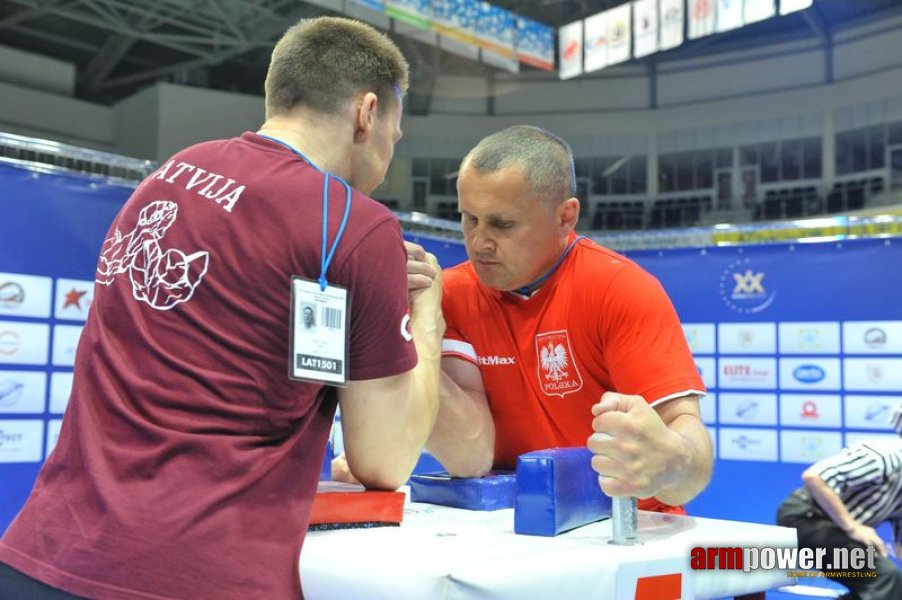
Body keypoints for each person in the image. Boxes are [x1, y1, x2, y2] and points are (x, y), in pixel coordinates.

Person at [0, 16, 443, 600]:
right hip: (195, 575)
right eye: (395, 133)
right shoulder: (354, 224)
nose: (388, 154)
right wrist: (428, 315)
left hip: (42, 553)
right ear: (366, 112)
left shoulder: (166, 178)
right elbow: (384, 461)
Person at [337, 125, 712, 513]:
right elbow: (469, 453)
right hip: (509, 533)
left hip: (630, 533)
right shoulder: (446, 294)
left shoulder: (620, 289)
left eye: (502, 224)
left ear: (565, 216)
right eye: (469, 219)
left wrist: (673, 462)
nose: (479, 241)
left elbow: (691, 450)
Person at [776, 405, 902, 600]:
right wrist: (852, 527)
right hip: (805, 518)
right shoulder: (884, 456)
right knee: (885, 577)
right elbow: (815, 477)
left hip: (835, 529)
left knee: (892, 585)